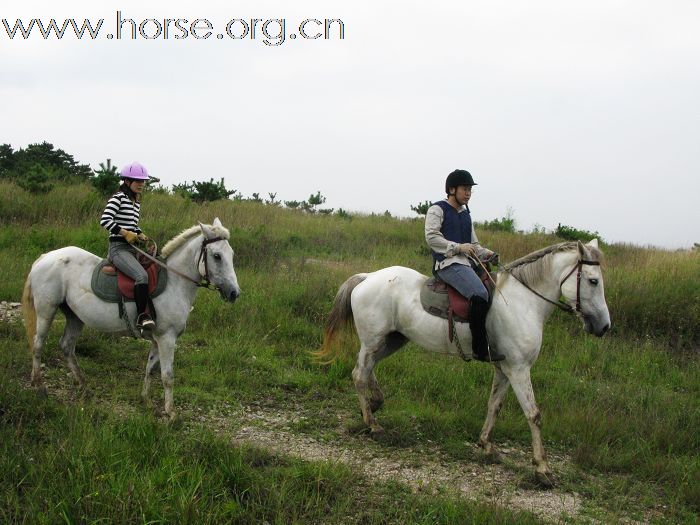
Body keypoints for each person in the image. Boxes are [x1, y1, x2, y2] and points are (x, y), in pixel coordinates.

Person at [425, 169, 505, 362]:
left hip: (467, 263)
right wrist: (458, 247)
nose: (468, 193)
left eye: (470, 190)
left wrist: (488, 254)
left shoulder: (465, 214)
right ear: (452, 189)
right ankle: (479, 348)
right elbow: (432, 237)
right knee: (480, 294)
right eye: (464, 189)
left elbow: (474, 245)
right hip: (447, 264)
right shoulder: (437, 209)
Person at [99, 162, 155, 335]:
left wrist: (140, 233)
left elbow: (132, 225)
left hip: (131, 248)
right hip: (118, 249)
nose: (141, 184)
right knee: (141, 275)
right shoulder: (118, 198)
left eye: (143, 181)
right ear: (127, 181)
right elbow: (105, 220)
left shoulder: (135, 202)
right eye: (137, 181)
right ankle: (141, 316)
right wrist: (124, 233)